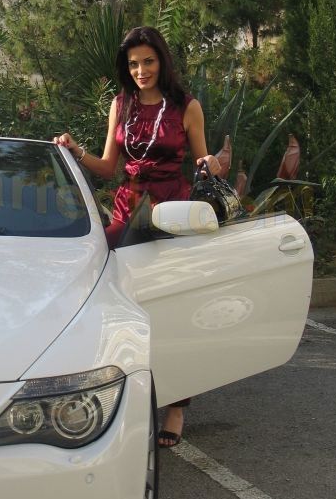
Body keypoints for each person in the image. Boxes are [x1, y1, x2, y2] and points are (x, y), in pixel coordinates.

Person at [54, 26, 221, 449]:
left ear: (161, 61)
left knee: (172, 310)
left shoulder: (187, 106)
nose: (141, 70)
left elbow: (201, 159)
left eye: (148, 61)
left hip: (171, 216)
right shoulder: (121, 104)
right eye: (133, 64)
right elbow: (109, 167)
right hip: (128, 212)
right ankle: (116, 391)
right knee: (113, 299)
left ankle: (177, 408)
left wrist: (211, 163)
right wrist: (76, 151)